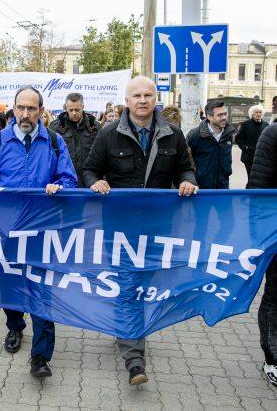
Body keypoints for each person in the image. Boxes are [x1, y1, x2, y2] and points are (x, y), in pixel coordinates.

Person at [83, 76, 198, 386]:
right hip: (120, 228)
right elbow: (89, 168)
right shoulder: (108, 134)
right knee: (126, 283)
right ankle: (135, 360)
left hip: (159, 228)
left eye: (148, 94)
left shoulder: (173, 135)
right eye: (137, 95)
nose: (143, 100)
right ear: (128, 99)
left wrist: (187, 180)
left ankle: (126, 328)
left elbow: (185, 167)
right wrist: (95, 182)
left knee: (146, 284)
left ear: (155, 98)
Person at [0, 86, 77, 378]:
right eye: (20, 108)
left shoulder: (55, 142)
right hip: (7, 232)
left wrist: (61, 187)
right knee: (10, 286)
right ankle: (15, 327)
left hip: (43, 231)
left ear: (41, 111)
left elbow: (69, 179)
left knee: (43, 291)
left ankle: (41, 356)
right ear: (13, 110)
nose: (24, 114)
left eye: (31, 109)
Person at [248, 124, 277, 387]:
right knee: (276, 295)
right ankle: (273, 358)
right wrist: (258, 236)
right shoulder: (273, 134)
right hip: (275, 230)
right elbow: (258, 187)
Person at [49, 92, 100, 186]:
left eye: (77, 110)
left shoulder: (95, 127)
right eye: (70, 110)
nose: (74, 113)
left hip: (89, 183)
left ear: (83, 107)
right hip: (64, 183)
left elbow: (101, 155)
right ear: (66, 108)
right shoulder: (55, 127)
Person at [186, 100, 236, 189]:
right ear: (209, 116)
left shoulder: (229, 134)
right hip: (201, 188)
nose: (224, 117)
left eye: (225, 114)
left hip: (223, 186)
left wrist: (227, 171)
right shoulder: (195, 135)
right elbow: (185, 161)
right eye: (220, 115)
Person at [235, 104, 269, 180]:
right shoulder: (245, 124)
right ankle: (250, 191)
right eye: (256, 112)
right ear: (252, 114)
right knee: (251, 178)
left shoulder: (266, 125)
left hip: (262, 157)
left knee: (260, 179)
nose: (258, 114)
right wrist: (245, 147)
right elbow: (238, 138)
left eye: (260, 112)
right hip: (249, 157)